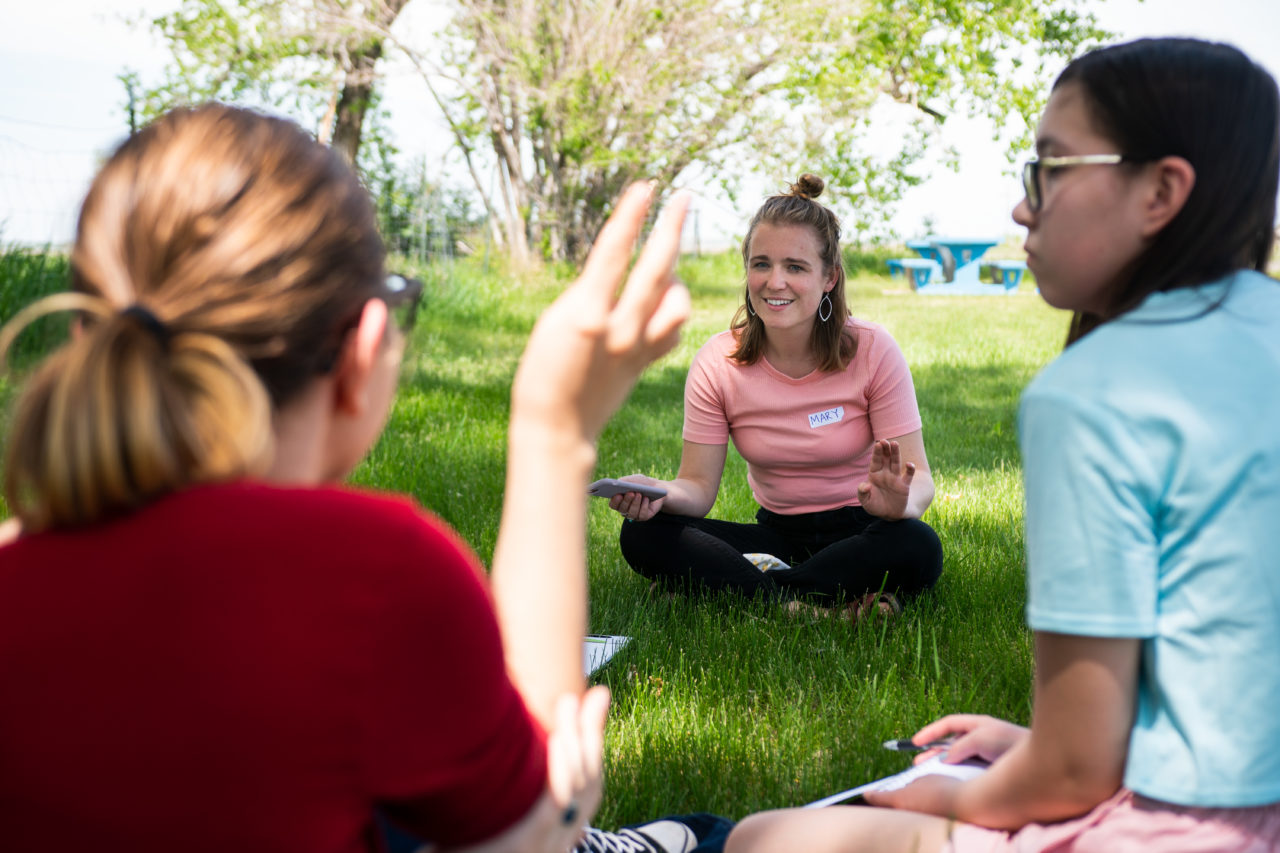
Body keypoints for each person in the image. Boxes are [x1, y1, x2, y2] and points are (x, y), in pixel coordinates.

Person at [0, 103, 695, 852]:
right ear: (365, 344)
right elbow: (529, 808)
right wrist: (556, 434)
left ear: (85, 337)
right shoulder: (378, 569)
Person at [724, 37, 1280, 852]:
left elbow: (1072, 775)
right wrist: (1027, 743)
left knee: (761, 837)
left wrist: (964, 793)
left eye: (1050, 169)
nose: (1024, 207)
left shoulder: (1095, 391)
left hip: (1180, 832)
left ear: (1162, 190)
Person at [608, 175, 942, 616]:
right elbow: (699, 488)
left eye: (796, 267)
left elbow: (919, 480)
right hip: (774, 537)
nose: (774, 282)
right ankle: (806, 605)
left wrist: (902, 503)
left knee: (918, 544)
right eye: (761, 264)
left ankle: (737, 588)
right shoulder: (718, 361)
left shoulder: (873, 349)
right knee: (642, 534)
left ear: (829, 278)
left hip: (862, 532)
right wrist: (660, 493)